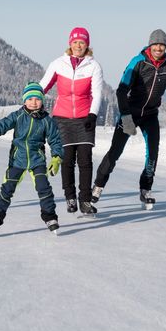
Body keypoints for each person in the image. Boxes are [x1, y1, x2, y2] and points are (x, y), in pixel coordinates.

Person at [92, 29, 166, 210]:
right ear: (150, 45)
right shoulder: (138, 62)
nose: (158, 48)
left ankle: (145, 189)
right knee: (115, 152)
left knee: (152, 154)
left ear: (165, 46)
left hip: (150, 115)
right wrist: (126, 117)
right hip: (131, 113)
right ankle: (98, 186)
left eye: (162, 45)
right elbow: (121, 90)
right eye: (155, 44)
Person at [0, 82, 64, 236]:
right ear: (24, 100)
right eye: (30, 99)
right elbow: (1, 125)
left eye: (37, 99)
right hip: (17, 160)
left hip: (37, 160)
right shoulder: (18, 115)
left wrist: (56, 158)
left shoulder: (47, 120)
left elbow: (55, 140)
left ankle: (50, 216)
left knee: (44, 188)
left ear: (42, 100)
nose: (33, 102)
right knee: (7, 189)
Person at [39, 27, 103, 216]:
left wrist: (93, 114)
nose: (78, 45)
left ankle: (85, 201)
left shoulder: (94, 66)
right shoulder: (58, 64)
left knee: (85, 160)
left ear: (87, 45)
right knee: (67, 160)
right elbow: (43, 85)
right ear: (70, 43)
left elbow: (97, 92)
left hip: (85, 118)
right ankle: (70, 197)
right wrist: (31, 99)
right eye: (75, 42)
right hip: (62, 118)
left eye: (82, 42)